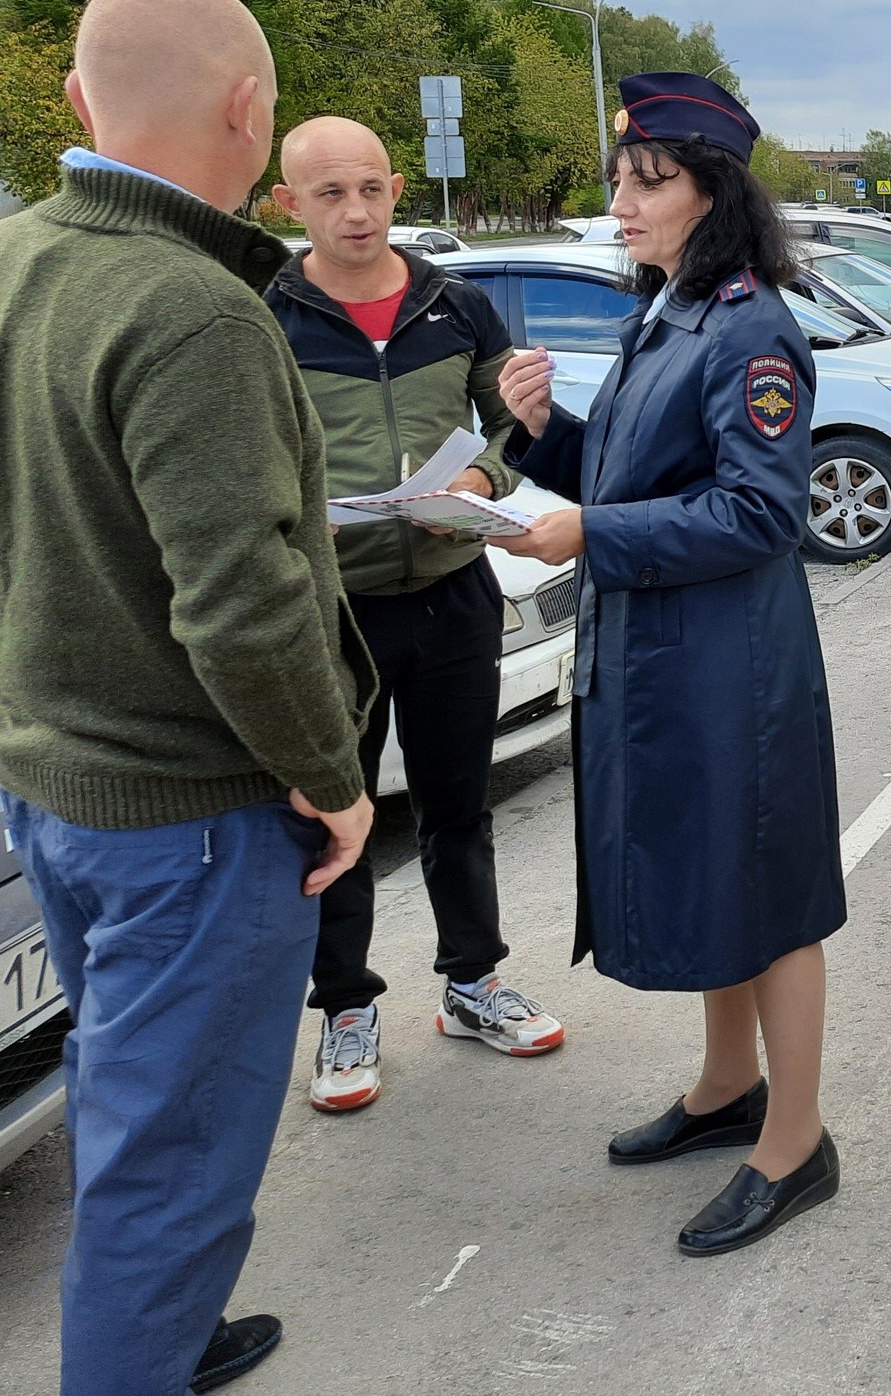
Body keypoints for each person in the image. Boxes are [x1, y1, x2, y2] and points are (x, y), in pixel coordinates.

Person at [0, 0, 375, 1394]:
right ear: (249, 110)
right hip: (186, 822)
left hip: (53, 790)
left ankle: (167, 1332)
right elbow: (246, 611)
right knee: (169, 1168)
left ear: (78, 103)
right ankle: (142, 1347)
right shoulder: (192, 309)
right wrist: (334, 782)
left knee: (129, 1110)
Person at [492, 72, 845, 1257]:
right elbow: (629, 478)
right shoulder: (668, 309)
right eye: (619, 181)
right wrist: (541, 431)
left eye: (649, 182)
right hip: (667, 658)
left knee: (771, 895)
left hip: (734, 671)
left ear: (714, 194)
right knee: (711, 879)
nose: (623, 204)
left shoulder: (751, 325)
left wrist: (592, 533)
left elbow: (759, 513)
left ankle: (794, 1141)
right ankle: (722, 1088)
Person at [267, 116, 564, 1114]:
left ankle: (472, 985)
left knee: (458, 805)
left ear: (397, 189)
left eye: (370, 191)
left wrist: (485, 468)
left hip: (450, 594)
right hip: (333, 615)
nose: (355, 213)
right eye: (328, 196)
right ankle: (346, 1010)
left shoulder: (458, 302)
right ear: (287, 205)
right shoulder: (267, 316)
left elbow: (510, 424)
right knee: (332, 819)